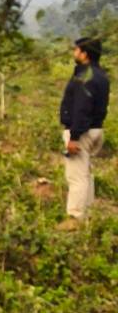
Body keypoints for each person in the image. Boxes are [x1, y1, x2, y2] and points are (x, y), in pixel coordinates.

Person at [57, 36, 109, 230]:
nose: (74, 52)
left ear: (85, 54)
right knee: (85, 174)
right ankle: (87, 213)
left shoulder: (84, 77)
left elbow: (82, 108)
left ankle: (75, 218)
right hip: (96, 129)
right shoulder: (101, 75)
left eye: (77, 50)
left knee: (76, 176)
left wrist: (74, 137)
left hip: (82, 132)